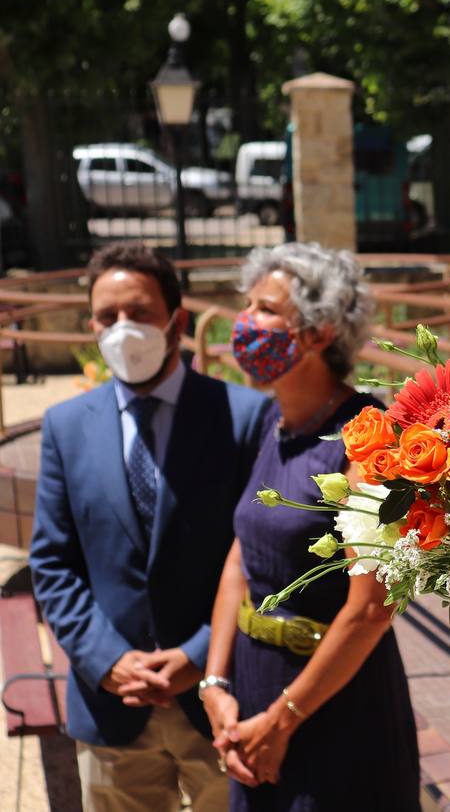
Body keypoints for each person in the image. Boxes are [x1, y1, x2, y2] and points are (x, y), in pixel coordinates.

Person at [30, 243, 272, 811]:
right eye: (107, 317)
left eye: (138, 313)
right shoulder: (65, 427)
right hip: (112, 707)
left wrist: (198, 656)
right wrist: (104, 659)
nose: (122, 329)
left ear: (176, 321)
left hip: (222, 699)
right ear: (90, 326)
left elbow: (263, 558)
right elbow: (52, 562)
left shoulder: (242, 417)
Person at [200, 243, 419, 811]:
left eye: (267, 309)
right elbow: (240, 555)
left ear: (320, 331)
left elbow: (372, 607)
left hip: (334, 703)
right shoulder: (273, 422)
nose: (247, 322)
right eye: (247, 304)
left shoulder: (366, 439)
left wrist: (281, 722)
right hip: (252, 687)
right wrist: (215, 686)